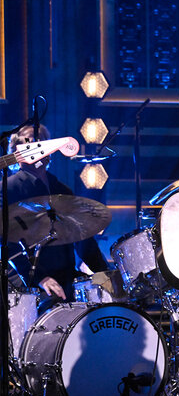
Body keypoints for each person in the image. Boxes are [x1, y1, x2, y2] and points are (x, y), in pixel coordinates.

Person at [4, 125, 109, 307]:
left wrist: (105, 273)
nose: (38, 146)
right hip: (26, 281)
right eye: (30, 141)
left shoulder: (62, 190)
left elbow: (82, 239)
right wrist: (41, 279)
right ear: (17, 151)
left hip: (65, 278)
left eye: (43, 141)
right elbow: (6, 244)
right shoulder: (8, 189)